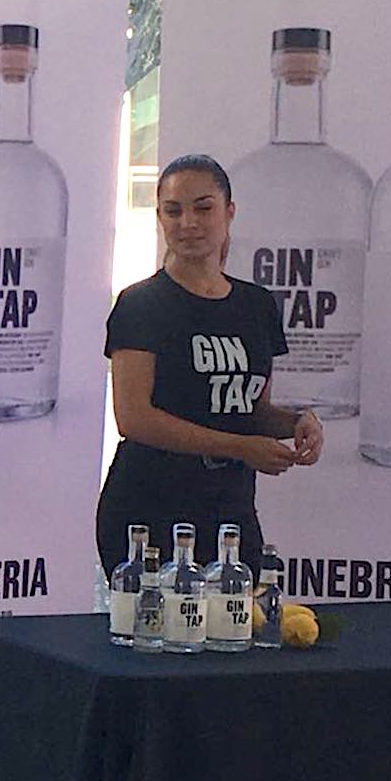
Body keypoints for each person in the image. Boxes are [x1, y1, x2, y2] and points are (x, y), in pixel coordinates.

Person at [95, 153, 322, 579]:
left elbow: (247, 408)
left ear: (228, 212)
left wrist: (296, 423)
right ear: (159, 217)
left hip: (230, 510)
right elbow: (134, 418)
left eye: (203, 208)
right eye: (173, 211)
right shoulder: (141, 304)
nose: (188, 223)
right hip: (150, 508)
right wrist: (239, 447)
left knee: (239, 618)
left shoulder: (256, 305)